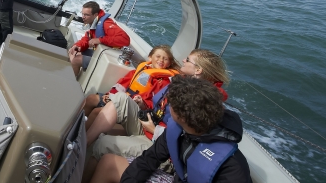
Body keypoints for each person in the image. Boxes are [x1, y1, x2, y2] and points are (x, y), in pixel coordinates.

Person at [84, 49, 230, 182]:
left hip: (162, 146)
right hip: (151, 124)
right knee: (121, 98)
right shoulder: (184, 83)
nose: (183, 61)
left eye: (187, 59)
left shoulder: (204, 101)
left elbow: (187, 140)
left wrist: (155, 130)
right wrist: (143, 106)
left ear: (198, 70)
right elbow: (161, 108)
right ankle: (83, 143)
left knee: (104, 144)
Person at [90, 76, 251, 183]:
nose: (167, 107)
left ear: (180, 116)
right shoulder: (177, 131)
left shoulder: (232, 167)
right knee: (108, 163)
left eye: (170, 105)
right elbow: (148, 160)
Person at [84, 45, 179, 127]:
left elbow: (155, 103)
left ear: (169, 63)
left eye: (165, 58)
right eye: (158, 56)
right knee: (91, 98)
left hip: (135, 109)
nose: (161, 60)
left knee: (97, 112)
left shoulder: (164, 83)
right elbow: (121, 85)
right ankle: (76, 128)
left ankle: (81, 139)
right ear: (150, 57)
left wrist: (142, 103)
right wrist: (110, 94)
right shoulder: (140, 70)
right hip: (120, 98)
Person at [68, 1, 130, 76]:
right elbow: (86, 39)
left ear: (95, 15)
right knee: (73, 52)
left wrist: (100, 40)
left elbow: (125, 39)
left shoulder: (106, 24)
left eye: (86, 15)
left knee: (75, 60)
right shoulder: (93, 24)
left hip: (107, 59)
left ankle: (70, 83)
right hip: (99, 53)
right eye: (82, 13)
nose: (83, 17)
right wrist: (77, 45)